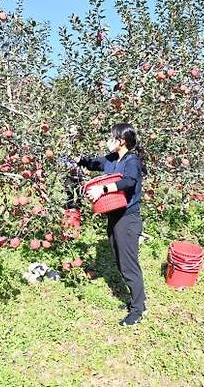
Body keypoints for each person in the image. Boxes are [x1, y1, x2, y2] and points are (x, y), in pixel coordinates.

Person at [78, 123, 147, 326]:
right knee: (119, 260)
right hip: (114, 217)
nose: (108, 140)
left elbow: (129, 181)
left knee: (129, 265)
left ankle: (138, 309)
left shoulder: (131, 160)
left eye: (111, 137)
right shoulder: (112, 159)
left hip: (128, 219)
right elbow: (95, 163)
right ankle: (138, 301)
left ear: (121, 141)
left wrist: (104, 189)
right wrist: (78, 159)